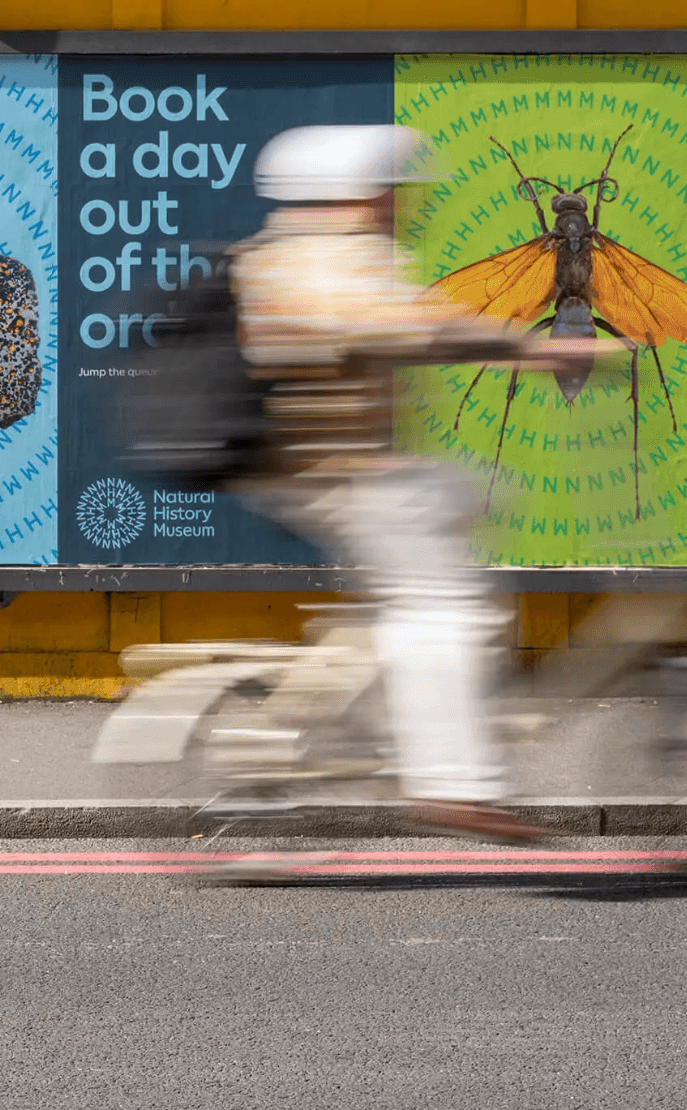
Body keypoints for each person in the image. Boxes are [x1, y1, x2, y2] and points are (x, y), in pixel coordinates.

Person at [230, 124, 617, 844]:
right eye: (391, 192)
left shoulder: (317, 250)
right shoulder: (318, 255)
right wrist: (513, 347)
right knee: (444, 608)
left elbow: (409, 321)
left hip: (352, 472)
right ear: (355, 192)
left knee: (468, 508)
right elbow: (397, 325)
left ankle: (392, 709)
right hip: (338, 475)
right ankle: (452, 781)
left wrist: (503, 346)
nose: (401, 206)